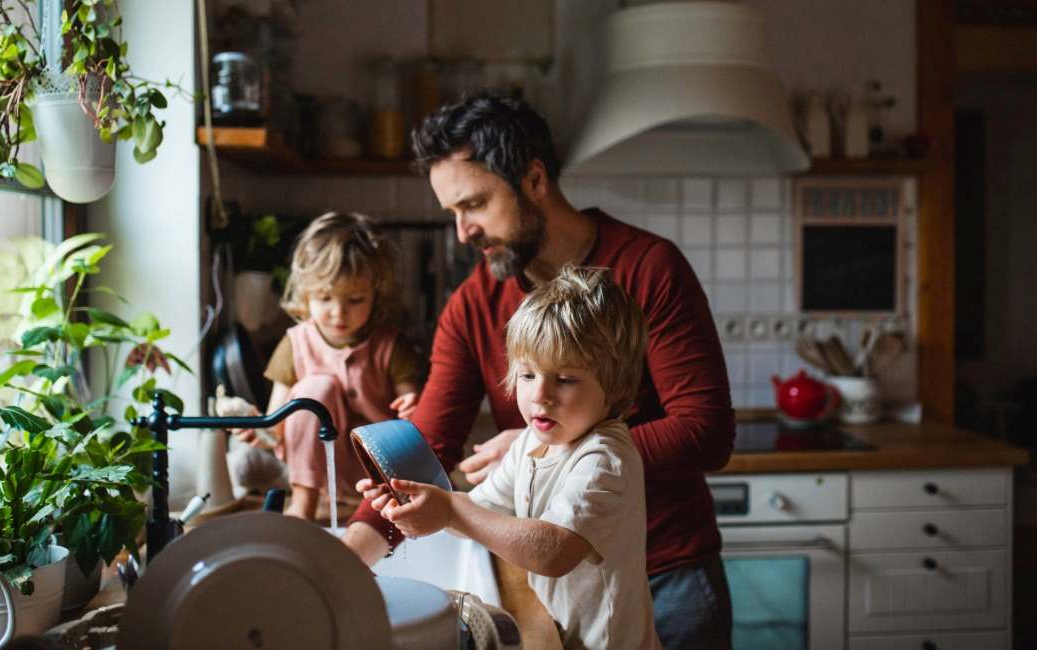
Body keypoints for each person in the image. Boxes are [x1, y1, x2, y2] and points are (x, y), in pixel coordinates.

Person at [342, 91, 735, 648]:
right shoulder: (474, 303)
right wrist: (347, 556)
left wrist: (556, 449)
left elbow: (706, 430)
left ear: (533, 179)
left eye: (474, 204)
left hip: (667, 575)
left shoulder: (650, 269)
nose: (462, 232)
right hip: (560, 593)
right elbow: (424, 443)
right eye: (452, 213)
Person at [368, 266, 660, 649]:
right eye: (527, 375)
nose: (540, 395)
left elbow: (553, 551)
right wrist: (417, 502)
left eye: (566, 379)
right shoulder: (531, 443)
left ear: (616, 385)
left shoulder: (603, 460)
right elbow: (481, 511)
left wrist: (452, 510)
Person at [239, 211, 424, 519]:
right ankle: (303, 505)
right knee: (314, 389)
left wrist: (413, 407)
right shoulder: (295, 343)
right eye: (325, 298)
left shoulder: (391, 345)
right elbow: (277, 423)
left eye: (354, 300)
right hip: (318, 474)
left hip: (380, 471)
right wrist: (259, 427)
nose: (339, 313)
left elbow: (415, 409)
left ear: (375, 294)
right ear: (306, 293)